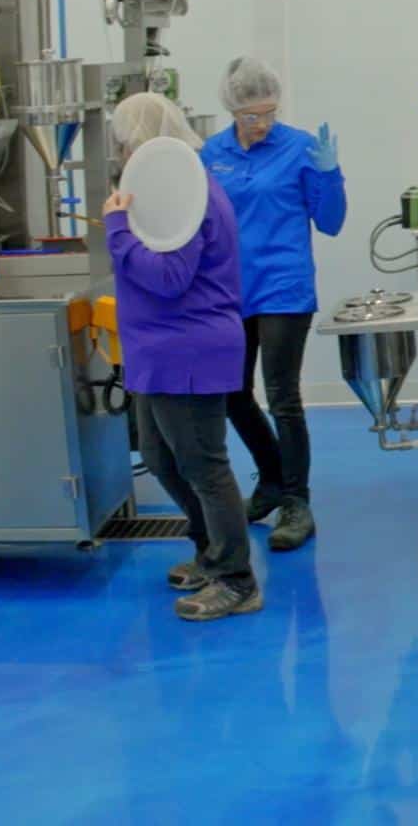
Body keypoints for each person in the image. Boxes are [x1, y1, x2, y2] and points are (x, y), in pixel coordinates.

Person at [106, 93, 260, 621]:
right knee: (160, 457)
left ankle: (237, 580)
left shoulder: (185, 195)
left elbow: (169, 279)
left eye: (125, 144)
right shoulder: (166, 191)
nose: (121, 155)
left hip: (188, 348)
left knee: (204, 466)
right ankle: (210, 550)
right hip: (158, 350)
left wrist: (117, 232)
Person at [200, 57, 347, 551]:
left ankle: (297, 503)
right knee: (231, 394)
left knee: (282, 395)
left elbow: (330, 222)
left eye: (269, 113)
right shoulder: (212, 154)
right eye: (250, 116)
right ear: (232, 110)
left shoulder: (300, 147)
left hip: (284, 286)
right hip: (229, 290)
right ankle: (270, 480)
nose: (261, 123)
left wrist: (330, 175)